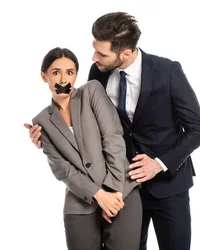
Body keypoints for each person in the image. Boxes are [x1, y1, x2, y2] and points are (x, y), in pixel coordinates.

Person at [26, 12, 200, 250]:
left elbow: (198, 129)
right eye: (94, 49)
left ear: (126, 53)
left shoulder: (168, 71)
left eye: (102, 53)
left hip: (168, 186)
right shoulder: (98, 73)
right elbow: (88, 126)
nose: (94, 57)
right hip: (124, 187)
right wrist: (48, 136)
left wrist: (159, 163)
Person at [28, 47, 141, 249]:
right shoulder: (41, 121)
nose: (63, 79)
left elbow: (113, 138)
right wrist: (99, 195)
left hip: (121, 192)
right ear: (44, 76)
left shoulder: (92, 91)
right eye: (56, 72)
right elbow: (62, 169)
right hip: (80, 203)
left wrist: (112, 194)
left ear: (76, 75)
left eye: (69, 72)